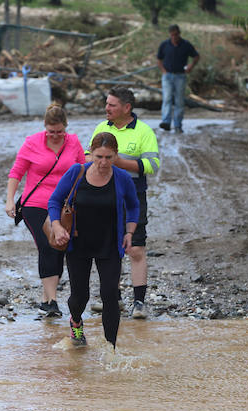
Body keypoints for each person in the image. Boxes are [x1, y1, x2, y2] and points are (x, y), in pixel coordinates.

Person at [49, 132, 139, 347]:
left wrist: (129, 232)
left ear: (116, 155)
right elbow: (54, 200)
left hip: (109, 244)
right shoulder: (76, 173)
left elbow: (134, 206)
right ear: (91, 153)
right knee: (80, 297)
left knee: (110, 295)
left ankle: (111, 348)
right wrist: (57, 225)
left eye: (109, 157)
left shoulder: (122, 178)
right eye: (99, 157)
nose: (103, 162)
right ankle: (76, 322)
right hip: (78, 243)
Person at [5, 104, 85, 317]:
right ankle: (52, 301)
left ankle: (46, 296)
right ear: (44, 127)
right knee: (48, 244)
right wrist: (10, 200)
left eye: (60, 131)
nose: (56, 136)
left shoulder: (73, 142)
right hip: (36, 204)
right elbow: (16, 172)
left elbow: (82, 170)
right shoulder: (32, 143)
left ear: (65, 127)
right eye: (52, 132)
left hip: (64, 204)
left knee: (60, 244)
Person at [87, 87, 160, 319]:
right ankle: (113, 299)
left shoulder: (143, 131)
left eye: (112, 105)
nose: (106, 108)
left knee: (136, 247)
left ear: (127, 108)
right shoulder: (101, 128)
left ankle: (139, 302)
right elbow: (89, 157)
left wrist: (119, 162)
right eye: (106, 104)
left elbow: (153, 165)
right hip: (103, 195)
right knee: (109, 248)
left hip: (133, 196)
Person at [156, 24, 200, 134]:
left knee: (179, 101)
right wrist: (164, 71)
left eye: (176, 35)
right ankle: (166, 122)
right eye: (172, 35)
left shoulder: (186, 45)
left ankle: (177, 125)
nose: (174, 37)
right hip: (167, 75)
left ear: (179, 34)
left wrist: (191, 66)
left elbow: (196, 56)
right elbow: (159, 59)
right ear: (170, 35)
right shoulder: (164, 45)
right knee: (167, 98)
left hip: (180, 76)